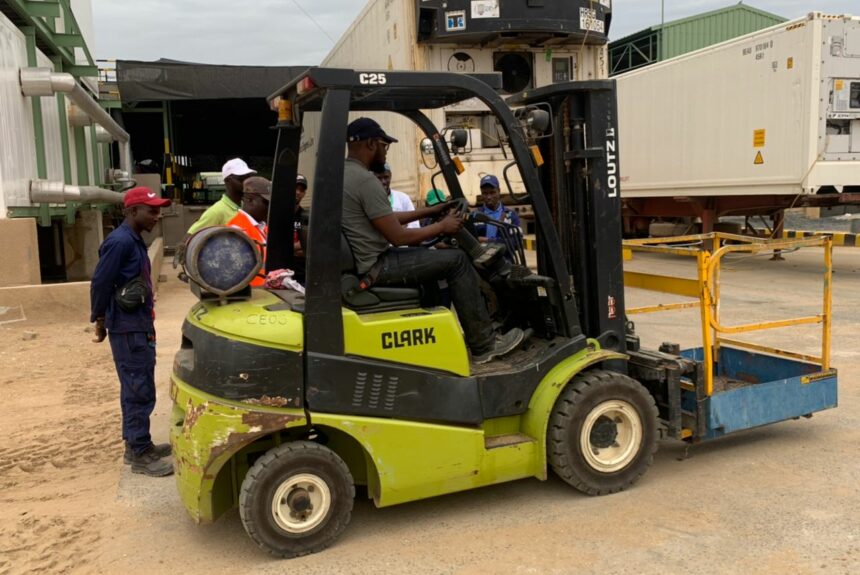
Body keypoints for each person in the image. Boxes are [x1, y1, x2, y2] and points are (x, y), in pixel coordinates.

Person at [342, 117, 523, 364]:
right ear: (372, 144)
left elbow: (386, 217)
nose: (386, 151)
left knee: (438, 264)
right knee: (457, 260)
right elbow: (397, 235)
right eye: (385, 145)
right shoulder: (365, 181)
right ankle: (484, 345)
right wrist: (443, 226)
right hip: (376, 265)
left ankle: (446, 338)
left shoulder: (345, 176)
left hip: (368, 261)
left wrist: (431, 211)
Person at [90, 187, 173, 477]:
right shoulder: (120, 242)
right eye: (151, 210)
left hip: (137, 325)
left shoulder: (133, 240)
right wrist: (99, 318)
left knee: (138, 386)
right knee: (138, 389)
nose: (157, 215)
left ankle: (138, 444)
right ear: (131, 211)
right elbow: (101, 282)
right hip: (128, 330)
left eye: (158, 210)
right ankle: (139, 453)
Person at [187, 158, 256, 235]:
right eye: (241, 179)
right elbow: (189, 238)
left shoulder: (245, 207)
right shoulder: (216, 212)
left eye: (248, 178)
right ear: (227, 180)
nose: (246, 182)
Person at [227, 177, 271, 287]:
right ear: (249, 200)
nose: (270, 208)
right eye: (266, 203)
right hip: (252, 295)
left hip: (264, 293)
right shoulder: (237, 230)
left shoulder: (262, 226)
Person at [474, 174, 522, 244]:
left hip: (504, 255)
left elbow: (517, 242)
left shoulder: (511, 216)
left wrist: (488, 240)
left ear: (499, 191)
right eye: (485, 193)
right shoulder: (475, 216)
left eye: (492, 192)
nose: (488, 197)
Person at [373, 163, 419, 229]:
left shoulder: (403, 198)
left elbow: (415, 224)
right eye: (379, 178)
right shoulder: (369, 200)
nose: (383, 182)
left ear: (390, 176)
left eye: (386, 177)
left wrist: (402, 231)